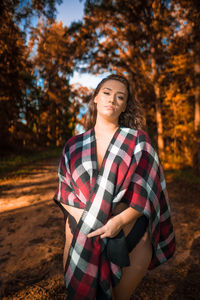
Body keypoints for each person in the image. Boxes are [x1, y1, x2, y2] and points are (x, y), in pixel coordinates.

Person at [54, 74, 176, 300]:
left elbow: (148, 191)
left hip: (128, 234)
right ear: (95, 98)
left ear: (125, 107)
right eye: (107, 93)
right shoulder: (73, 144)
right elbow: (64, 192)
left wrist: (118, 222)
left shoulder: (138, 141)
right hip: (81, 234)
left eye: (120, 97)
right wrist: (89, 221)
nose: (112, 99)